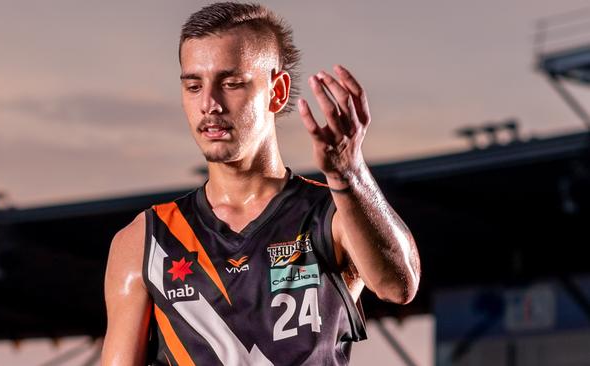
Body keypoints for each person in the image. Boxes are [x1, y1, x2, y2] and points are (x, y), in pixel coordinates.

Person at [101, 2, 420, 365]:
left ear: (277, 90)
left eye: (232, 83)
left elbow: (399, 286)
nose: (209, 104)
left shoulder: (331, 215)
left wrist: (349, 173)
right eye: (193, 85)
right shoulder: (147, 240)